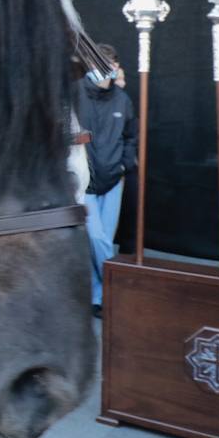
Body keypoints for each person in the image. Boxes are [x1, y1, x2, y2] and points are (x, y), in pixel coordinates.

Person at [75, 43, 136, 317]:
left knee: (104, 240)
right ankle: (119, 289)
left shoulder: (122, 100)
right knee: (96, 238)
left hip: (114, 180)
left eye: (110, 64)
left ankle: (98, 299)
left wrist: (125, 163)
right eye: (99, 64)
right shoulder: (74, 95)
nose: (104, 70)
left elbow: (130, 136)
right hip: (85, 180)